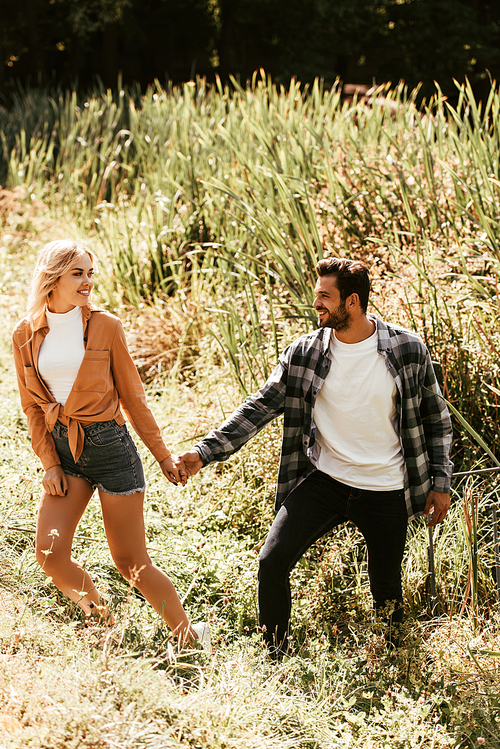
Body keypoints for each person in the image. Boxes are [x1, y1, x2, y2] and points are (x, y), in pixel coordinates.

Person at [177, 256, 453, 656]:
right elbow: (260, 407)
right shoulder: (305, 351)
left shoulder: (406, 350)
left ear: (353, 301)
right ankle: (275, 657)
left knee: (386, 592)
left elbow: (436, 419)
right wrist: (205, 452)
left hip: (387, 488)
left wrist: (440, 484)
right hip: (325, 480)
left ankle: (395, 666)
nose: (316, 303)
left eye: (325, 296)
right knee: (272, 563)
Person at [12, 239, 209, 649]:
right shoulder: (24, 333)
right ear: (53, 279)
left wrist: (162, 456)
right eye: (77, 273)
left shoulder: (106, 326)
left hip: (111, 450)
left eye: (90, 273)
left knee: (130, 562)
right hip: (64, 453)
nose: (87, 282)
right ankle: (104, 623)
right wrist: (50, 463)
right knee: (50, 554)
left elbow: (134, 399)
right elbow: (31, 406)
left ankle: (189, 637)